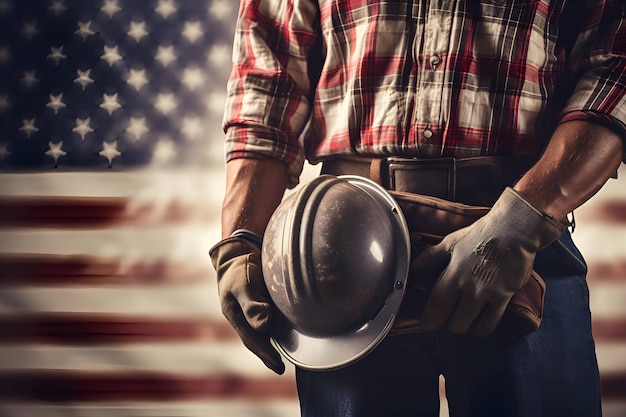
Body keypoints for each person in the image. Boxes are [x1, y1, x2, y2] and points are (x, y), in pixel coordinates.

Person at [210, 1, 626, 416]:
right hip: (340, 255)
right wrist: (240, 240)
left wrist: (521, 221)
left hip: (525, 248)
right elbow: (266, 88)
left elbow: (616, 68)